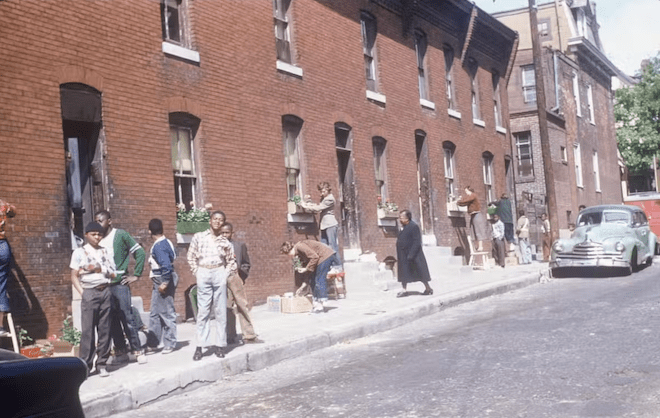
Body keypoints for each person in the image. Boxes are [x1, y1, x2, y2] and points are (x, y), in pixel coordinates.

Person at [95, 210, 147, 364]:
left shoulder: (121, 235)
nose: (98, 224)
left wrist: (136, 275)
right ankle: (121, 351)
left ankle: (137, 350)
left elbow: (140, 253)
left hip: (120, 284)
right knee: (111, 319)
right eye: (96, 221)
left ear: (109, 221)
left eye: (100, 220)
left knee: (127, 317)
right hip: (104, 285)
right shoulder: (97, 239)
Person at [187, 211, 237, 361]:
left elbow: (231, 262)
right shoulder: (199, 237)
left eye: (220, 220)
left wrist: (224, 274)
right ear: (210, 221)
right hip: (204, 271)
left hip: (219, 272)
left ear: (223, 223)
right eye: (215, 219)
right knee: (203, 311)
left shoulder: (225, 242)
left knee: (221, 310)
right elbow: (191, 256)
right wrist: (197, 271)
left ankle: (220, 345)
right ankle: (200, 346)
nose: (217, 222)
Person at [70, 222, 116, 377]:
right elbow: (73, 276)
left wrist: (102, 269)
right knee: (88, 331)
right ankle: (85, 365)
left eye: (100, 234)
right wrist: (83, 293)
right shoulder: (79, 252)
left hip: (105, 291)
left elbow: (114, 273)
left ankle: (102, 363)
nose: (97, 237)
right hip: (89, 292)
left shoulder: (105, 251)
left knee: (105, 329)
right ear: (86, 235)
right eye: (94, 234)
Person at [220, 223, 263, 345]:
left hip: (235, 277)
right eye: (222, 233)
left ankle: (249, 335)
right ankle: (230, 335)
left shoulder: (239, 246)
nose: (224, 235)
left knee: (242, 305)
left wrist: (241, 276)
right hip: (223, 279)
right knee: (227, 308)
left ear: (231, 233)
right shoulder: (217, 246)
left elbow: (246, 262)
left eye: (226, 232)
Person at [145, 219, 177, 354]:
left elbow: (166, 265)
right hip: (160, 279)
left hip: (163, 280)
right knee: (154, 313)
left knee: (166, 312)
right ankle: (153, 343)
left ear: (149, 231)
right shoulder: (167, 242)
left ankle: (169, 342)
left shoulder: (158, 246)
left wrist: (164, 282)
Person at [280, 240, 334, 313]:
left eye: (288, 254)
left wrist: (306, 268)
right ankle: (317, 303)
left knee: (318, 279)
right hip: (319, 258)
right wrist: (303, 286)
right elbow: (309, 272)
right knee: (312, 280)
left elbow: (314, 257)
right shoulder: (298, 255)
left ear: (290, 250)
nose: (290, 257)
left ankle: (322, 302)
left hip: (325, 256)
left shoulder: (300, 246)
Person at [299, 182, 342, 270]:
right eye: (321, 191)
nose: (321, 194)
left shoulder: (329, 199)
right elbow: (318, 206)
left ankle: (338, 266)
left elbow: (319, 208)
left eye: (323, 191)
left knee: (332, 246)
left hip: (330, 224)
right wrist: (308, 203)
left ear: (328, 190)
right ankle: (328, 265)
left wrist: (305, 205)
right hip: (324, 225)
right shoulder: (325, 198)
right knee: (324, 247)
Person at [395, 210, 433, 297]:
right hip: (403, 255)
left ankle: (428, 288)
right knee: (404, 272)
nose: (400, 219)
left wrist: (411, 255)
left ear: (407, 218)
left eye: (401, 217)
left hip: (413, 255)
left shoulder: (413, 226)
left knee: (419, 272)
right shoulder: (403, 227)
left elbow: (417, 241)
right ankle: (404, 290)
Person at [0, 199, 16, 337]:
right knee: (1, 286)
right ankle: (0, 327)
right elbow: (13, 211)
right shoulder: (2, 204)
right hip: (3, 245)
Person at [457, 186, 489, 251]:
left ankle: (480, 246)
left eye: (466, 191)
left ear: (470, 190)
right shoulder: (470, 197)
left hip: (477, 215)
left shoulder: (473, 195)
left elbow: (466, 200)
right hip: (473, 215)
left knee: (478, 230)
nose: (466, 193)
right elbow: (464, 203)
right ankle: (476, 246)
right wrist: (459, 202)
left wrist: (459, 200)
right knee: (473, 231)